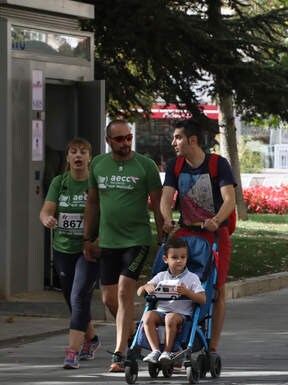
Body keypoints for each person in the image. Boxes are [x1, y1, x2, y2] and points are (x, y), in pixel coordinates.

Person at [83, 120, 164, 372]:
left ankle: (119, 353)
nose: (125, 143)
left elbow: (159, 204)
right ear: (108, 141)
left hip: (136, 240)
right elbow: (93, 203)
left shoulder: (145, 165)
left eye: (128, 137)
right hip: (108, 241)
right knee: (108, 298)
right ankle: (132, 332)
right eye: (119, 139)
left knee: (123, 291)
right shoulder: (97, 164)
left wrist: (162, 238)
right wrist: (88, 238)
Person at [160, 119, 236, 356]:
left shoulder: (217, 164)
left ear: (192, 140)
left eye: (178, 138)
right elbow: (166, 198)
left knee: (217, 287)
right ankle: (178, 334)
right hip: (186, 232)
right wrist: (166, 217)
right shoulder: (176, 165)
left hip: (214, 235)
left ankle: (212, 346)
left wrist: (216, 220)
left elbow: (229, 199)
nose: (174, 142)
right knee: (176, 280)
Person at [40, 138, 101, 368]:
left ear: (89, 158)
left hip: (88, 249)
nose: (78, 156)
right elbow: (46, 210)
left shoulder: (94, 183)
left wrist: (97, 239)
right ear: (67, 158)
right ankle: (92, 338)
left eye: (83, 152)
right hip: (63, 248)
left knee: (78, 296)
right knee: (71, 298)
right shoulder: (60, 182)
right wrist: (47, 219)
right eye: (73, 152)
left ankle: (72, 352)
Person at [137, 237, 205, 363]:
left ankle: (167, 351)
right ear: (165, 259)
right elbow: (139, 291)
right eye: (174, 257)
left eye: (183, 257)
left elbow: (202, 299)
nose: (179, 261)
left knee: (170, 318)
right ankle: (155, 351)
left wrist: (187, 292)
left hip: (182, 315)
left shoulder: (192, 278)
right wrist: (146, 287)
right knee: (147, 316)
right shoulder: (161, 276)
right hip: (162, 312)